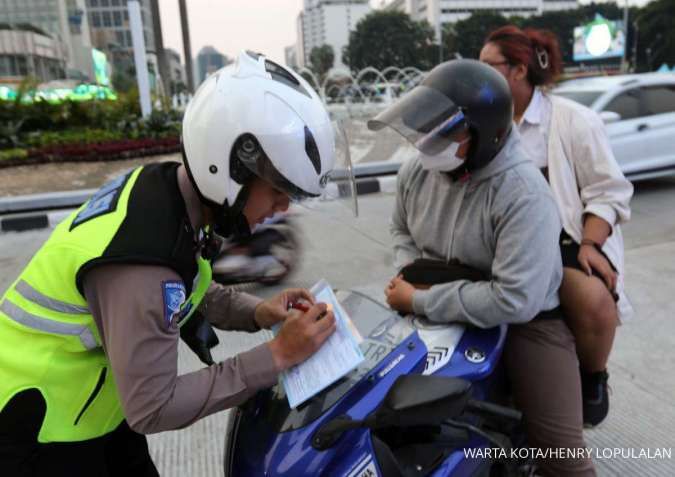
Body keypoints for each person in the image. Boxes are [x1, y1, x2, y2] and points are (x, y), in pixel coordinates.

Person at [0, 51, 338, 476]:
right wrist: (276, 356)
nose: (283, 207)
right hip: (38, 430)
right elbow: (153, 406)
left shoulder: (167, 196)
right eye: (277, 191)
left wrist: (257, 311)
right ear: (231, 169)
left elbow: (183, 285)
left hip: (95, 411)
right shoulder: (140, 266)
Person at [369, 59, 595, 476]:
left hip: (526, 322)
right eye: (424, 130)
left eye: (443, 132)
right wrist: (408, 272)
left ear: (485, 132)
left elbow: (515, 298)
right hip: (431, 305)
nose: (426, 143)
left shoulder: (522, 193)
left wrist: (420, 297)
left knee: (563, 459)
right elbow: (400, 230)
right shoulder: (417, 172)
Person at [479, 26, 634, 427]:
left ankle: (592, 377)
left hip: (564, 237)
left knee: (594, 299)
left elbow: (609, 192)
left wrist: (591, 246)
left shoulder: (573, 121)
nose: (478, 75)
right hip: (501, 237)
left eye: (487, 66)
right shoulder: (489, 122)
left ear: (517, 69)